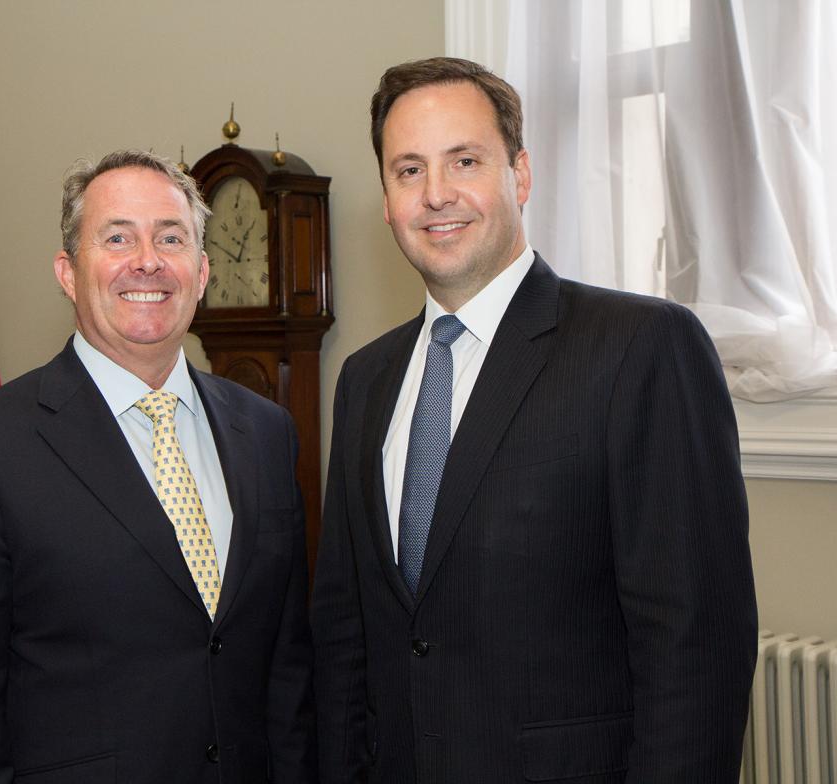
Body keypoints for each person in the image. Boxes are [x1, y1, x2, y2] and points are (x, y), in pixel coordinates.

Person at [311, 57, 757, 783]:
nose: (436, 194)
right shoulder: (364, 380)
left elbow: (696, 649)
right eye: (409, 170)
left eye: (465, 160)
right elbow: (344, 636)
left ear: (520, 175)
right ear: (387, 199)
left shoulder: (640, 347)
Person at [0, 150, 317, 783]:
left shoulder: (265, 432)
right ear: (69, 273)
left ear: (202, 272)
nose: (147, 260)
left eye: (171, 238)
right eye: (117, 237)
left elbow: (285, 670)